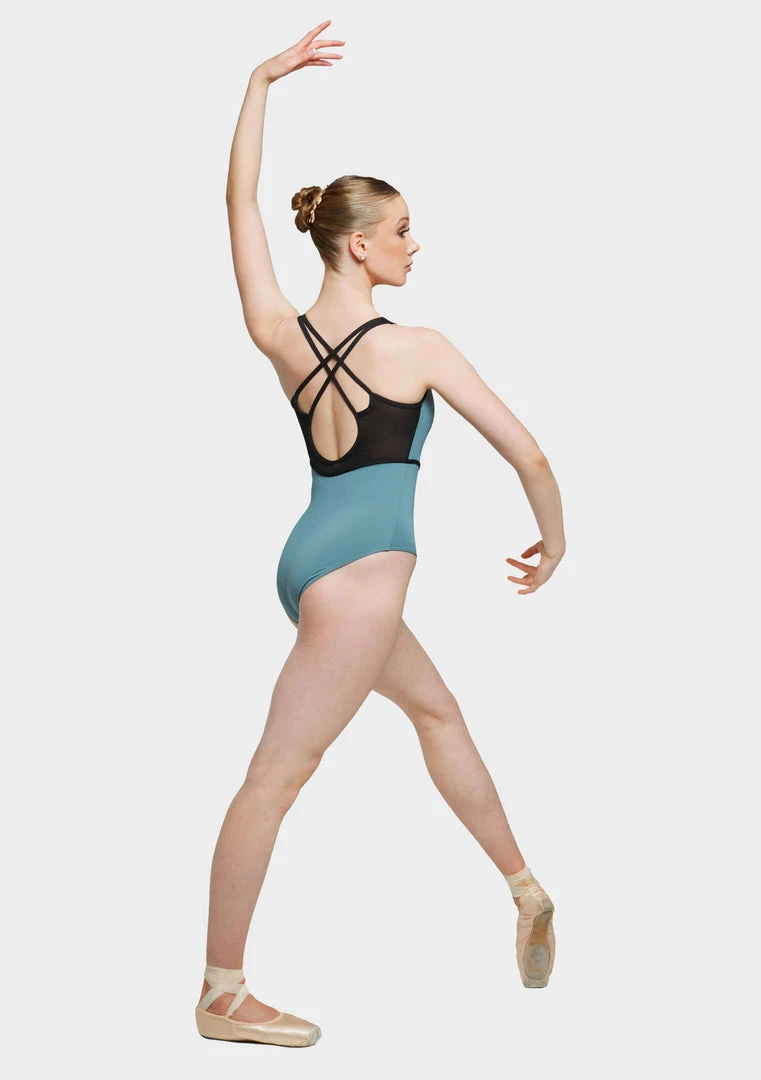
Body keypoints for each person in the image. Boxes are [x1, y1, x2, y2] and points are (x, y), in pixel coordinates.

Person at [196, 21, 566, 1049]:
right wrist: (555, 542)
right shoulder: (419, 347)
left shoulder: (279, 331)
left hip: (313, 563)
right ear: (356, 244)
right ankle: (221, 991)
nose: (413, 243)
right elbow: (530, 456)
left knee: (437, 713)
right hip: (359, 581)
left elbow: (236, 206)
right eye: (401, 229)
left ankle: (524, 889)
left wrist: (258, 83)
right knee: (275, 776)